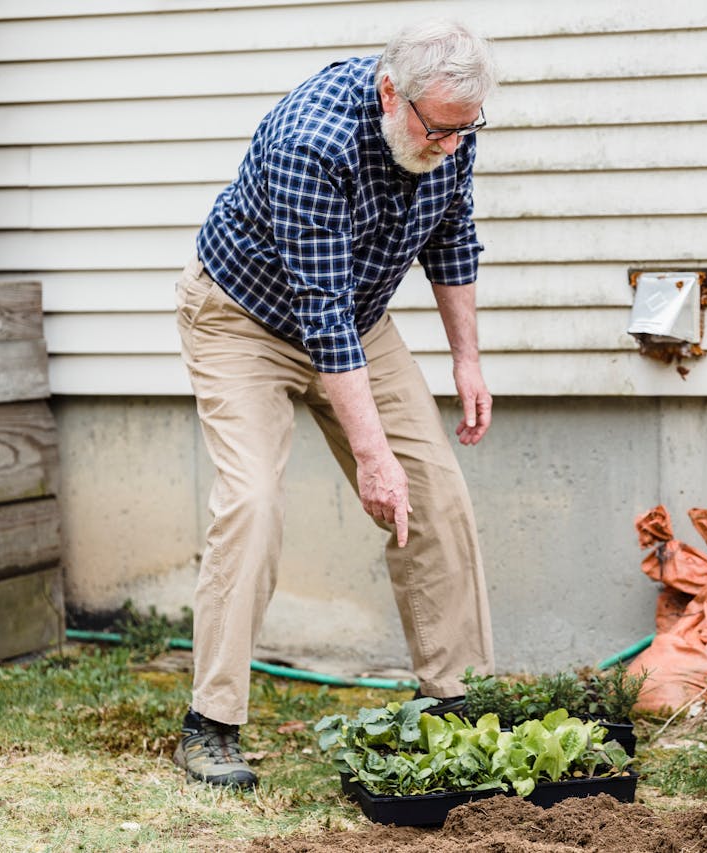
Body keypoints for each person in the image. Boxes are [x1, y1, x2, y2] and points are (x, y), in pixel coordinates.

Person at [171, 19, 498, 788]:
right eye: (440, 130)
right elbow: (321, 318)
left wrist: (467, 359)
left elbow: (452, 235)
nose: (453, 145)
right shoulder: (311, 141)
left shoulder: (449, 119)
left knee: (437, 496)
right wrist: (372, 458)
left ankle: (452, 702)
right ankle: (210, 723)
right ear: (392, 93)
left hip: (358, 317)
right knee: (251, 502)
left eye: (465, 130)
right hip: (243, 317)